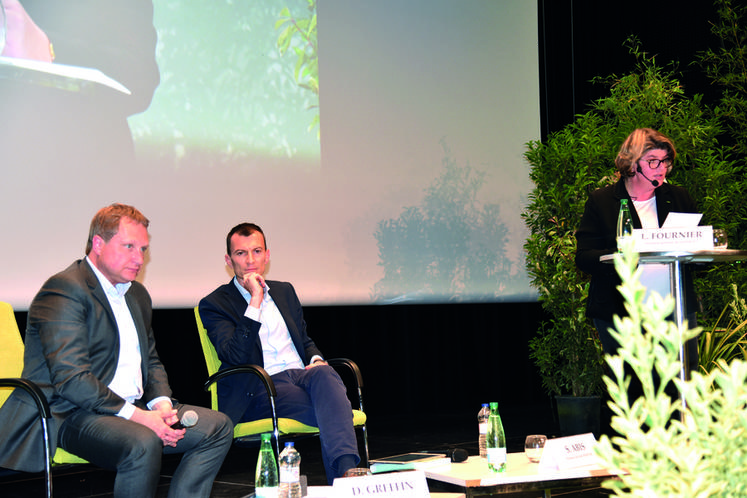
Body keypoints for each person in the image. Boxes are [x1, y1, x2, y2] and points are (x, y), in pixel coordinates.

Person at [0, 204, 234, 498]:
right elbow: (71, 379)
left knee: (218, 427)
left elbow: (149, 358)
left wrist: (161, 404)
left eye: (144, 249)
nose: (139, 258)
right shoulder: (64, 290)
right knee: (142, 442)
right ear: (98, 243)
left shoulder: (136, 293)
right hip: (70, 414)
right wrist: (139, 418)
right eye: (129, 247)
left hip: (131, 410)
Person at [199, 223, 360, 484]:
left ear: (267, 255)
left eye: (257, 251)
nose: (250, 260)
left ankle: (345, 478)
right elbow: (235, 355)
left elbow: (304, 341)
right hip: (261, 386)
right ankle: (346, 478)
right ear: (229, 261)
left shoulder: (285, 291)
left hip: (302, 376)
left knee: (326, 373)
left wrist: (316, 360)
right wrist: (255, 300)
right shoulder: (215, 304)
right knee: (334, 407)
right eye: (241, 253)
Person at [575, 128, 700, 369]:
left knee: (681, 383)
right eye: (653, 161)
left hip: (674, 308)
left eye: (665, 161)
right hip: (620, 309)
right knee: (634, 390)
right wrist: (619, 257)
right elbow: (583, 257)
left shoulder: (679, 198)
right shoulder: (602, 201)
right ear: (632, 164)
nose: (661, 168)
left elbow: (697, 248)